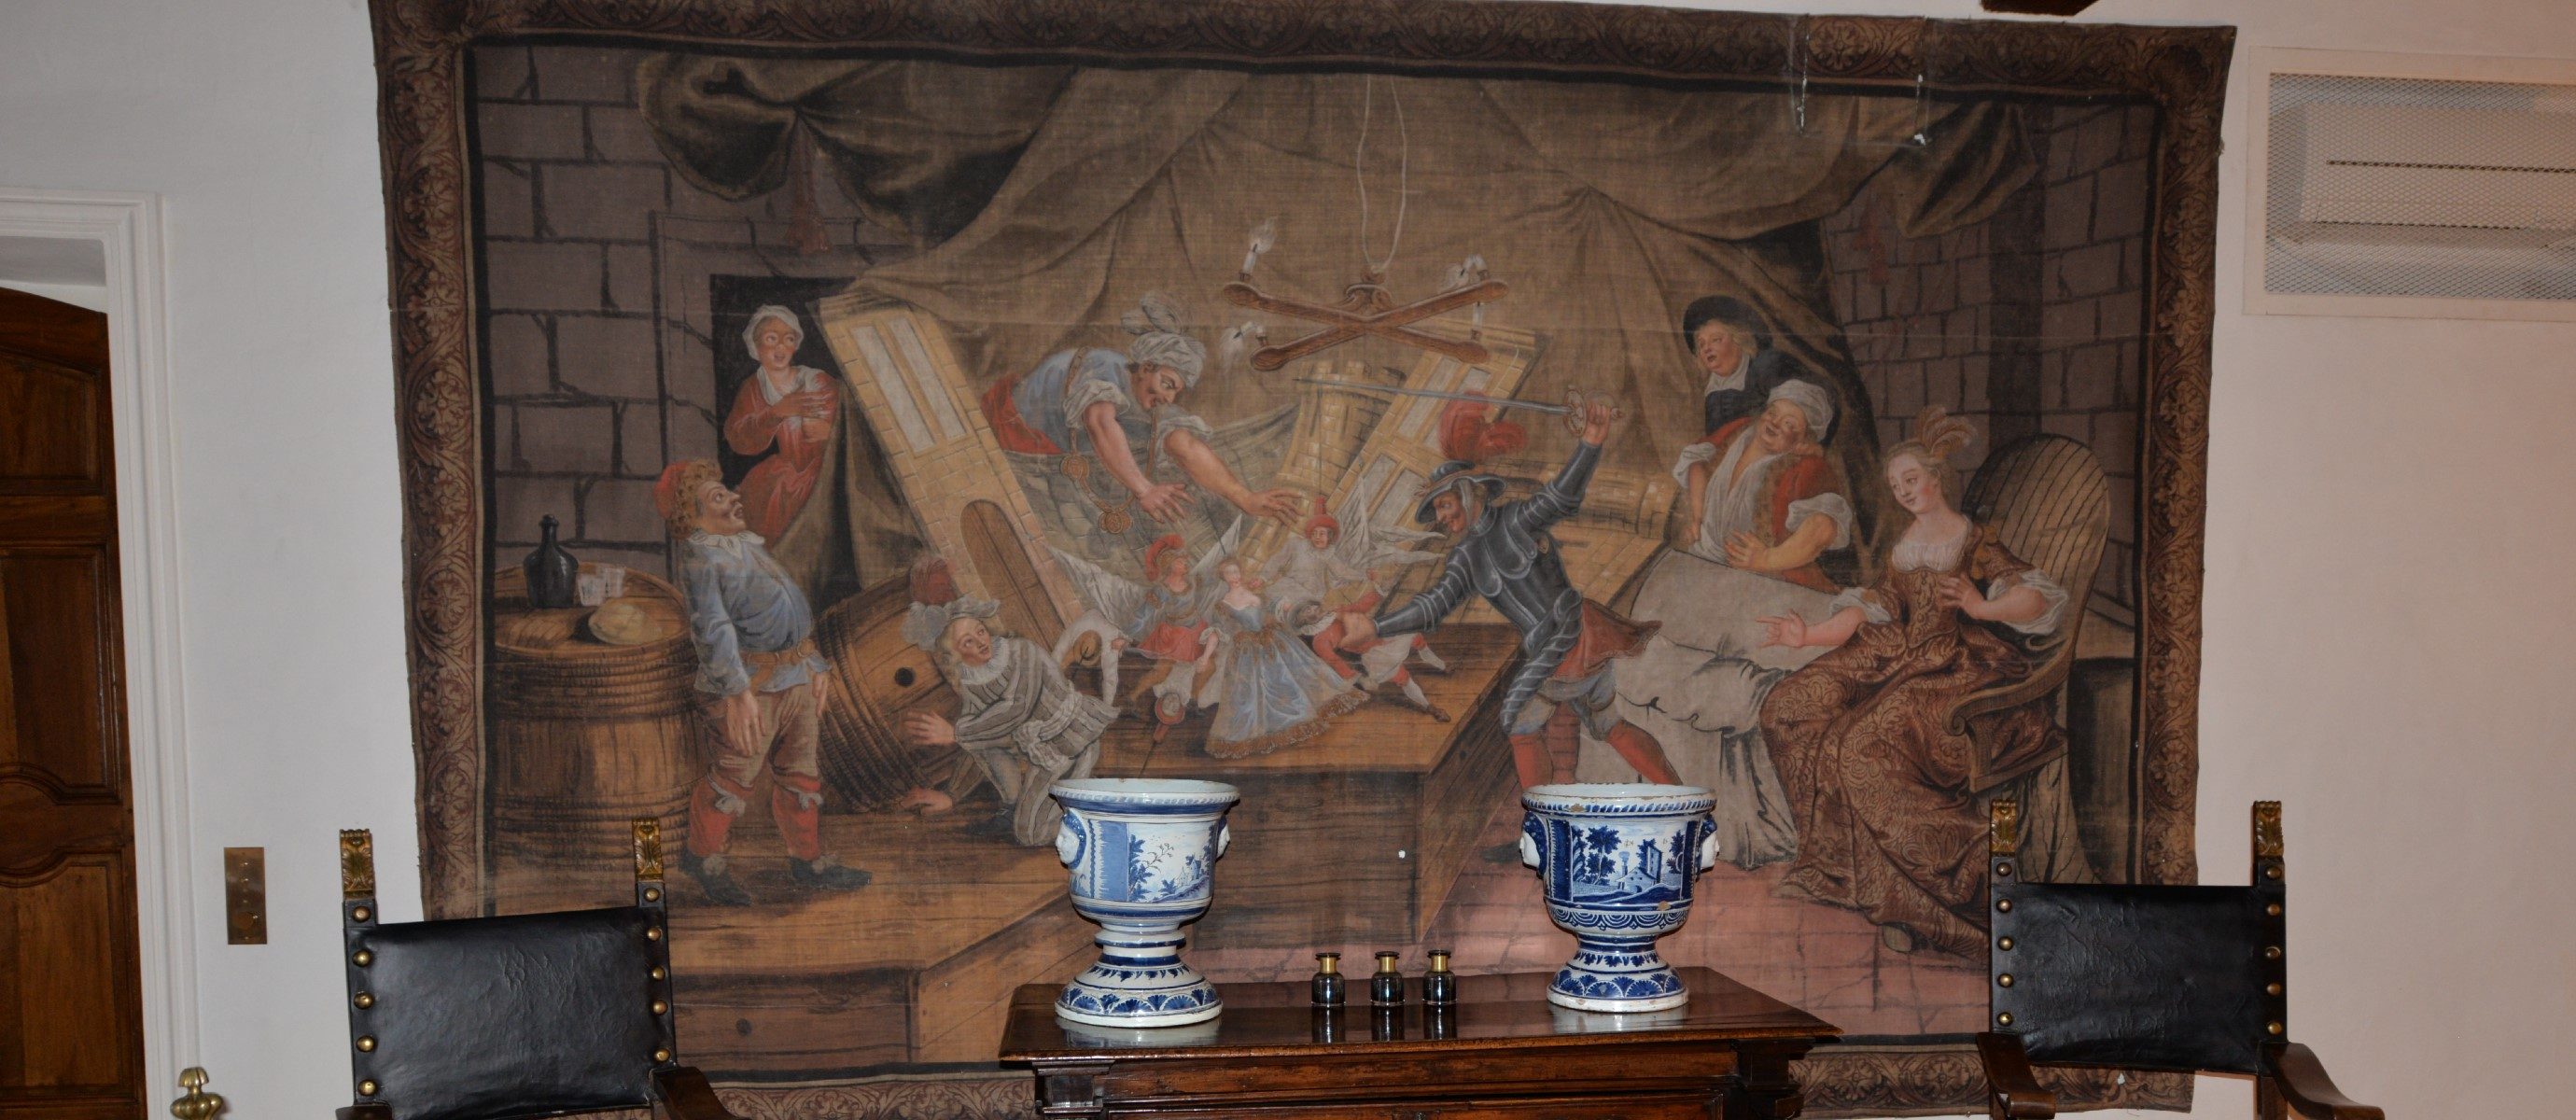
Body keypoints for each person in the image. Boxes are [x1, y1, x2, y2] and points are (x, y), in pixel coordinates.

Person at [1754, 408, 2084, 959]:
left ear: (1937, 477)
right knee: (1788, 707)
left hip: (1955, 668)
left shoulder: (1973, 540)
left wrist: (1982, 606)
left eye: (1911, 479)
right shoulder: (1903, 545)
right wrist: (1807, 635)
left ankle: (1935, 888)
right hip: (1897, 653)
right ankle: (1843, 870)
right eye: (1895, 485)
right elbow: (1876, 607)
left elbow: (2035, 598)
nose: (1904, 491)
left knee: (1860, 744)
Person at [1341, 399, 1685, 791]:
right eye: (1437, 510)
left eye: (1444, 505)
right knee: (1608, 725)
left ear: (1468, 494)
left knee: (1519, 724)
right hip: (1571, 642)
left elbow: (1562, 497)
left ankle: (1540, 817)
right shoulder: (1465, 557)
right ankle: (1679, 795)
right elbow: (1434, 605)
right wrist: (1376, 626)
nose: (1441, 517)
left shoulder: (1517, 520)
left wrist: (1590, 442)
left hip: (1568, 640)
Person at [657, 459, 874, 905]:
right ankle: (703, 856)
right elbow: (712, 630)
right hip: (751, 687)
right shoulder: (703, 558)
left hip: (794, 676)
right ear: (694, 516)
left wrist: (814, 663)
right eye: (718, 497)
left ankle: (807, 859)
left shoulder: (746, 545)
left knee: (801, 772)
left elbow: (789, 612)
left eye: (727, 491)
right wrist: (737, 694)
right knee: (734, 776)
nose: (734, 497)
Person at [982, 292, 1301, 544]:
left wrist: (1245, 497)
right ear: (1147, 367)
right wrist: (1144, 489)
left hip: (1045, 469)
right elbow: (1099, 421)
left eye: (1176, 392)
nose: (1169, 398)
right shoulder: (1107, 367)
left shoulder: (1149, 406)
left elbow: (1186, 446)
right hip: (1002, 435)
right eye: (1168, 384)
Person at [896, 601, 1111, 847]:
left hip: (1069, 743)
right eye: (968, 642)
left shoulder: (1023, 652)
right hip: (1041, 750)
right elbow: (976, 741)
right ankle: (1013, 807)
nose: (980, 641)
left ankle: (1095, 815)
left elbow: (1017, 709)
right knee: (976, 736)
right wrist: (951, 794)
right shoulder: (971, 680)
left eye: (980, 631)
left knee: (1030, 835)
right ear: (956, 653)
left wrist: (956, 732)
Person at [1259, 497, 1449, 720]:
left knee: (1416, 638)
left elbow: (1357, 602)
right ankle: (1429, 707)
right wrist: (1358, 678)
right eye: (1306, 613)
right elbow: (1335, 661)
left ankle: (1442, 666)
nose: (1312, 612)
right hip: (1371, 651)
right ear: (1301, 621)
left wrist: (1376, 589)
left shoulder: (1334, 610)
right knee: (1403, 677)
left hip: (1380, 632)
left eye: (1324, 534)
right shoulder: (1320, 640)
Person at [1669, 379, 1855, 592]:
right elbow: (1698, 464)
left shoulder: (1808, 467)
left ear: (1804, 440)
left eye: (1789, 424)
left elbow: (1823, 528)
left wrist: (1766, 559)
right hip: (1705, 558)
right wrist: (1697, 517)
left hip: (1768, 581)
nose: (1774, 423)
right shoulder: (1740, 430)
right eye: (1772, 413)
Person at [1200, 558, 1365, 758]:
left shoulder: (1258, 592)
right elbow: (1216, 632)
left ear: (1241, 572)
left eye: (1236, 571)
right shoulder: (1222, 605)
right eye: (1228, 573)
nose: (1234, 576)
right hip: (1247, 651)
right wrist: (1205, 657)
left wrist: (1300, 611)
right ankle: (1269, 729)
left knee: (1292, 677)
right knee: (1253, 694)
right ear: (1223, 577)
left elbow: (1281, 608)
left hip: (1274, 640)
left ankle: (1299, 718)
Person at [721, 305, 841, 540]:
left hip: (824, 467)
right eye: (771, 338)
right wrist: (776, 413)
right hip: (785, 470)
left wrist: (829, 431)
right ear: (756, 345)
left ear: (795, 346)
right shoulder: (754, 387)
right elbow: (739, 438)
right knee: (771, 496)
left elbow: (839, 425)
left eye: (788, 339)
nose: (780, 347)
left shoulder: (817, 381)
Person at [1682, 296, 1809, 441]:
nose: (1706, 348)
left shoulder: (1767, 366)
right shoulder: (1712, 392)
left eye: (1716, 340)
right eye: (1701, 344)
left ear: (1739, 340)